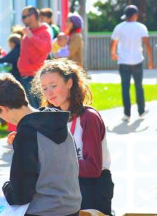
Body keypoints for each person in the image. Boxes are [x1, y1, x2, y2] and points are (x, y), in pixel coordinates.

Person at [0, 74, 82, 216]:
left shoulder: (28, 134)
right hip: (72, 207)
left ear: (3, 108)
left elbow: (20, 195)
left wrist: (4, 187)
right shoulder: (56, 121)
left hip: (44, 210)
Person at [32, 59, 114, 215]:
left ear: (69, 82)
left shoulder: (88, 117)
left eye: (54, 86)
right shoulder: (53, 119)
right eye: (44, 88)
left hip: (92, 189)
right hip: (68, 188)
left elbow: (93, 168)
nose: (49, 92)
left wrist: (56, 165)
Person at [110, 5, 154, 121]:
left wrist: (113, 54)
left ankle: (127, 114)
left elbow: (113, 42)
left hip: (123, 61)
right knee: (139, 86)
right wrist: (150, 60)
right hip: (137, 60)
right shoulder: (141, 27)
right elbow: (147, 44)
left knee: (125, 87)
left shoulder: (119, 27)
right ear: (135, 15)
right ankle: (141, 111)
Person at [18, 6, 52, 109]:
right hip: (25, 76)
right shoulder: (27, 33)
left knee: (39, 109)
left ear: (32, 16)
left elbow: (46, 48)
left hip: (35, 77)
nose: (22, 20)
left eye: (24, 17)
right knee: (31, 110)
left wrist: (31, 36)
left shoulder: (44, 32)